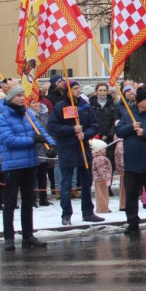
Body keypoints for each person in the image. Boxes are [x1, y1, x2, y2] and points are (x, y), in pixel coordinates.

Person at [0, 85, 52, 250]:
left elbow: (40, 130)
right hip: (12, 165)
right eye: (18, 95)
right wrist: (33, 140)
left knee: (28, 201)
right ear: (10, 98)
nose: (21, 98)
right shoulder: (2, 118)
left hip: (30, 162)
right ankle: (9, 237)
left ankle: (28, 235)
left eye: (22, 95)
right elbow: (8, 140)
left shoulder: (27, 113)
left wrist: (51, 144)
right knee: (10, 201)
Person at [47, 81, 103, 225]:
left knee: (86, 182)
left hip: (83, 148)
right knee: (66, 183)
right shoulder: (60, 107)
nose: (78, 91)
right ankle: (66, 214)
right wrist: (72, 130)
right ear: (68, 91)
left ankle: (88, 212)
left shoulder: (85, 105)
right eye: (75, 88)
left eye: (79, 88)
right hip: (67, 149)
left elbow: (95, 125)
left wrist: (86, 133)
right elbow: (52, 127)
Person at [114, 87, 146, 235]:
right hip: (132, 165)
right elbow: (119, 131)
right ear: (139, 102)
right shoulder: (128, 114)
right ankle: (132, 222)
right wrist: (131, 127)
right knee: (131, 196)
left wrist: (145, 133)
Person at [90, 139, 112, 215]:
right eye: (103, 149)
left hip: (97, 179)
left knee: (99, 194)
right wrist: (106, 178)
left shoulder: (95, 158)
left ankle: (100, 208)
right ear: (98, 150)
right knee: (103, 194)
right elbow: (102, 169)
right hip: (102, 179)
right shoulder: (101, 158)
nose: (105, 150)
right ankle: (103, 208)